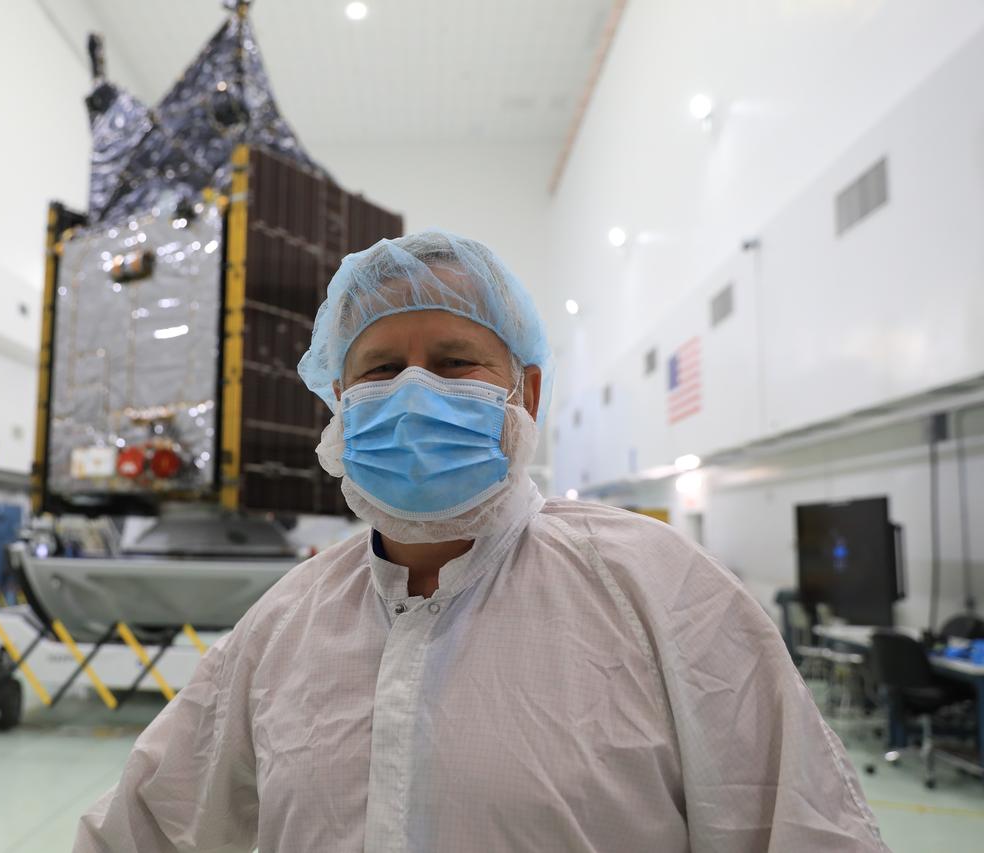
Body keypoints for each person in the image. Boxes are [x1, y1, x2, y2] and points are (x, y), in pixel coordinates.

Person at [74, 231, 888, 852]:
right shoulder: (282, 626)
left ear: (523, 391)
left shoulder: (660, 592)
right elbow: (146, 824)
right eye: (381, 370)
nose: (416, 392)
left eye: (456, 361)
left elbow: (802, 825)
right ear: (339, 405)